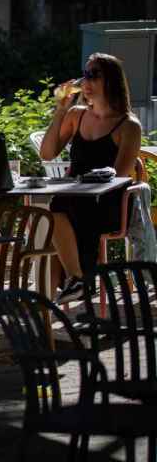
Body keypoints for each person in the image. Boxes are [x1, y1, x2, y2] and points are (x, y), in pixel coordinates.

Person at [40, 52, 141, 304]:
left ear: (111, 81)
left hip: (110, 203)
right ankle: (78, 280)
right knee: (56, 214)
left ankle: (71, 286)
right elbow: (47, 153)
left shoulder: (128, 126)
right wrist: (60, 111)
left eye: (93, 75)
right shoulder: (76, 115)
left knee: (61, 212)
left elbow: (120, 176)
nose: (85, 81)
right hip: (75, 198)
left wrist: (86, 185)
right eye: (84, 74)